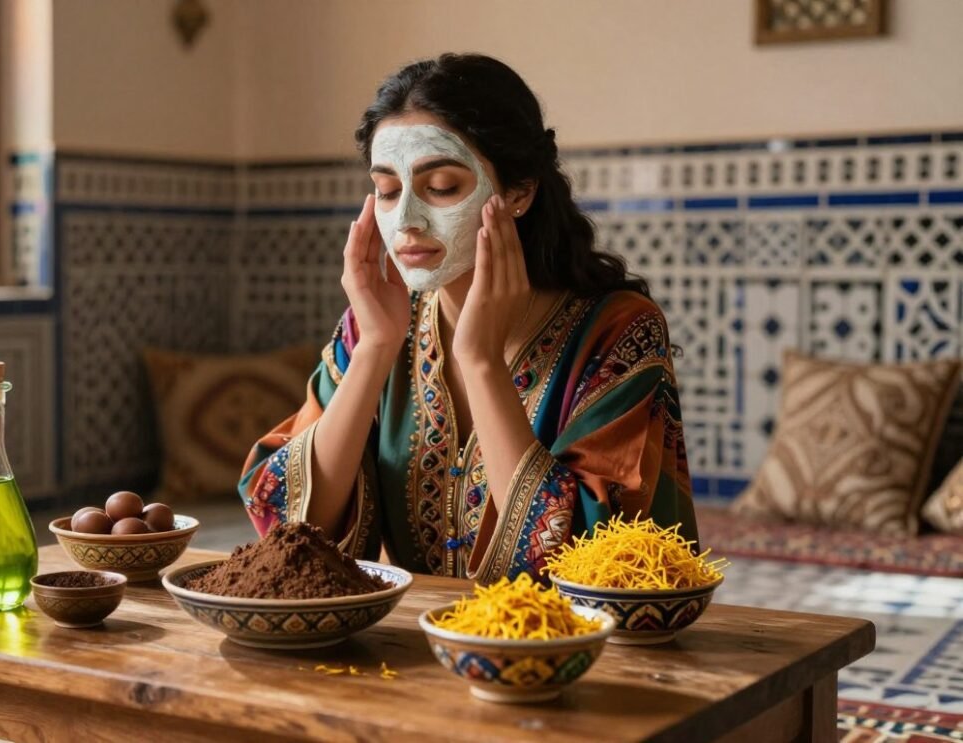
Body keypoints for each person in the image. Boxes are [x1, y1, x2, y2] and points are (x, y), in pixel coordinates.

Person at [237, 53, 697, 583]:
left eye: (442, 188)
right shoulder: (374, 324)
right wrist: (374, 349)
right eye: (387, 191)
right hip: (402, 650)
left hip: (564, 654)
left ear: (519, 192)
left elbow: (604, 563)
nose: (405, 219)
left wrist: (481, 363)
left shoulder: (619, 332)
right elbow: (288, 532)